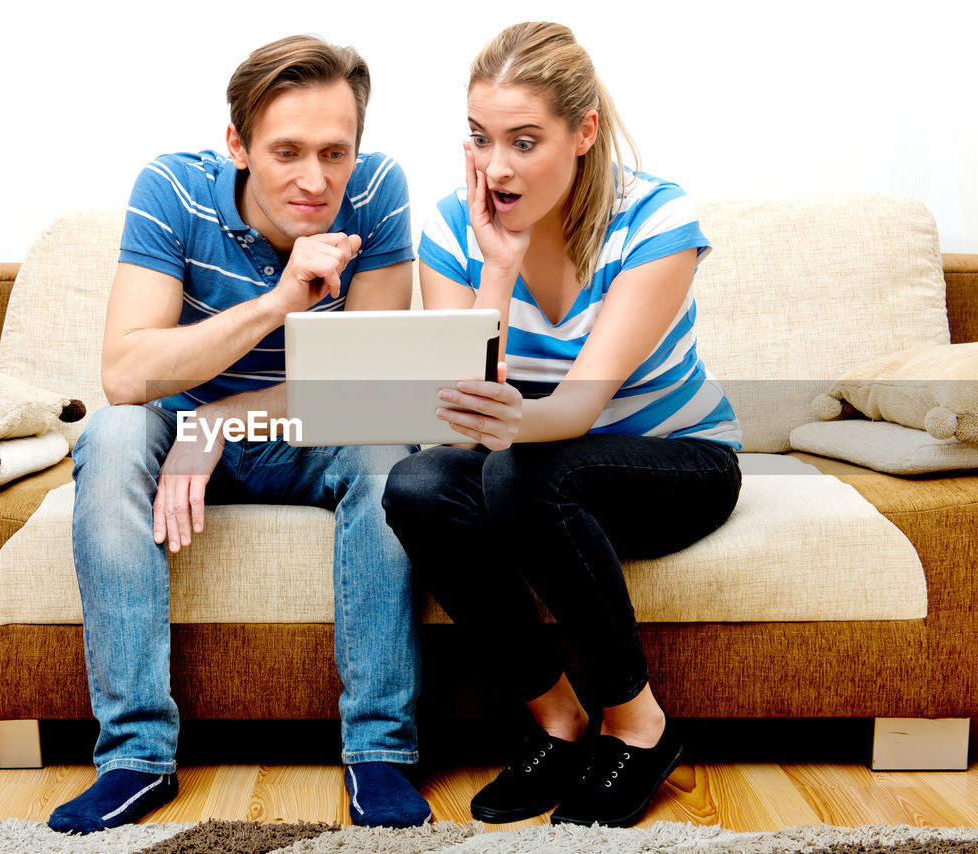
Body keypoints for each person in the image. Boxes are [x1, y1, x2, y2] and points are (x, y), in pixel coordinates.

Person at [48, 36, 429, 834]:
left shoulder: (380, 192)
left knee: (385, 446)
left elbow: (371, 378)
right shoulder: (173, 190)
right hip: (173, 424)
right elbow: (125, 373)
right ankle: (134, 759)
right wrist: (278, 301)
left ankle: (379, 752)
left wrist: (226, 418)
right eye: (287, 151)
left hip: (299, 427)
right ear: (238, 145)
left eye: (335, 152)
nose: (316, 180)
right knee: (113, 436)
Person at [381, 22, 743, 828]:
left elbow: (577, 408)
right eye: (480, 139)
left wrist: (489, 421)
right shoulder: (451, 230)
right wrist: (498, 269)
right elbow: (458, 424)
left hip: (676, 463)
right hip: (535, 473)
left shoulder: (653, 220)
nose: (497, 166)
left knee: (521, 469)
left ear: (582, 135)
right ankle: (558, 717)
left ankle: (640, 727)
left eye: (523, 140)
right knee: (415, 486)